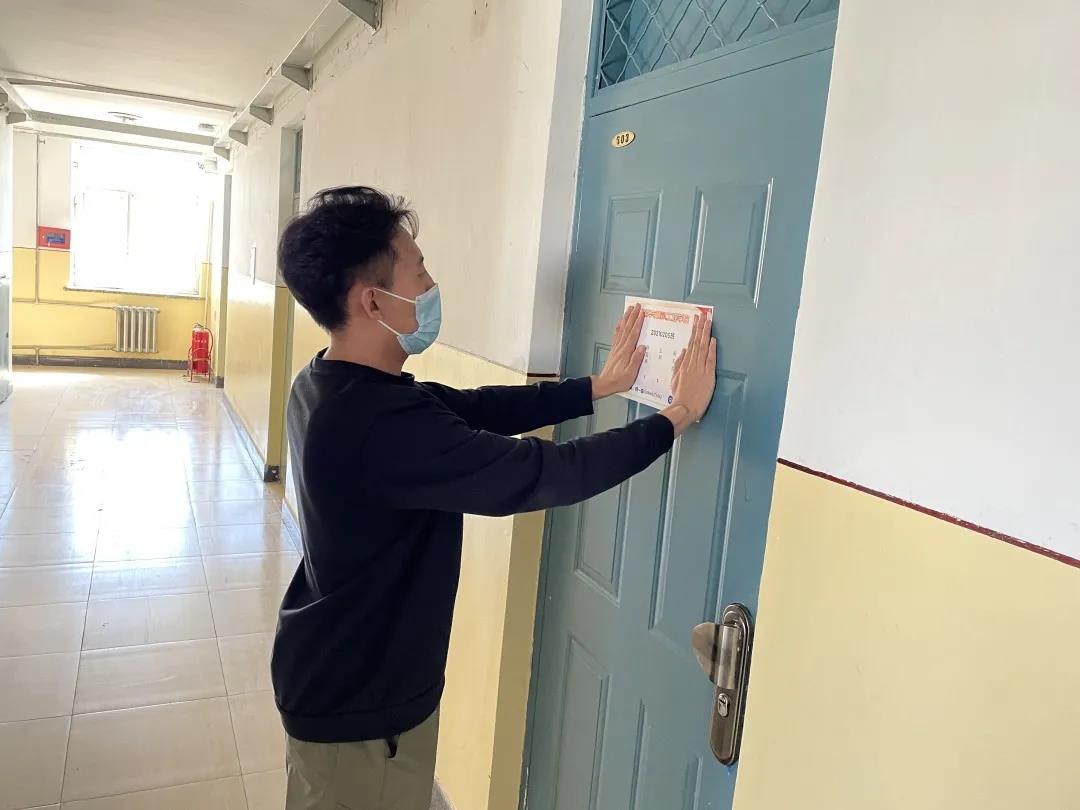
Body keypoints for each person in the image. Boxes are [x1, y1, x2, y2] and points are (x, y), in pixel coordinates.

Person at [273, 186, 717, 810]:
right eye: (419, 271)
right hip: (360, 708)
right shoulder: (373, 422)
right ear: (373, 300)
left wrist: (597, 386)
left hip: (344, 674)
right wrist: (677, 415)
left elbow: (474, 407)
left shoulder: (331, 381)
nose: (432, 285)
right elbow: (546, 473)